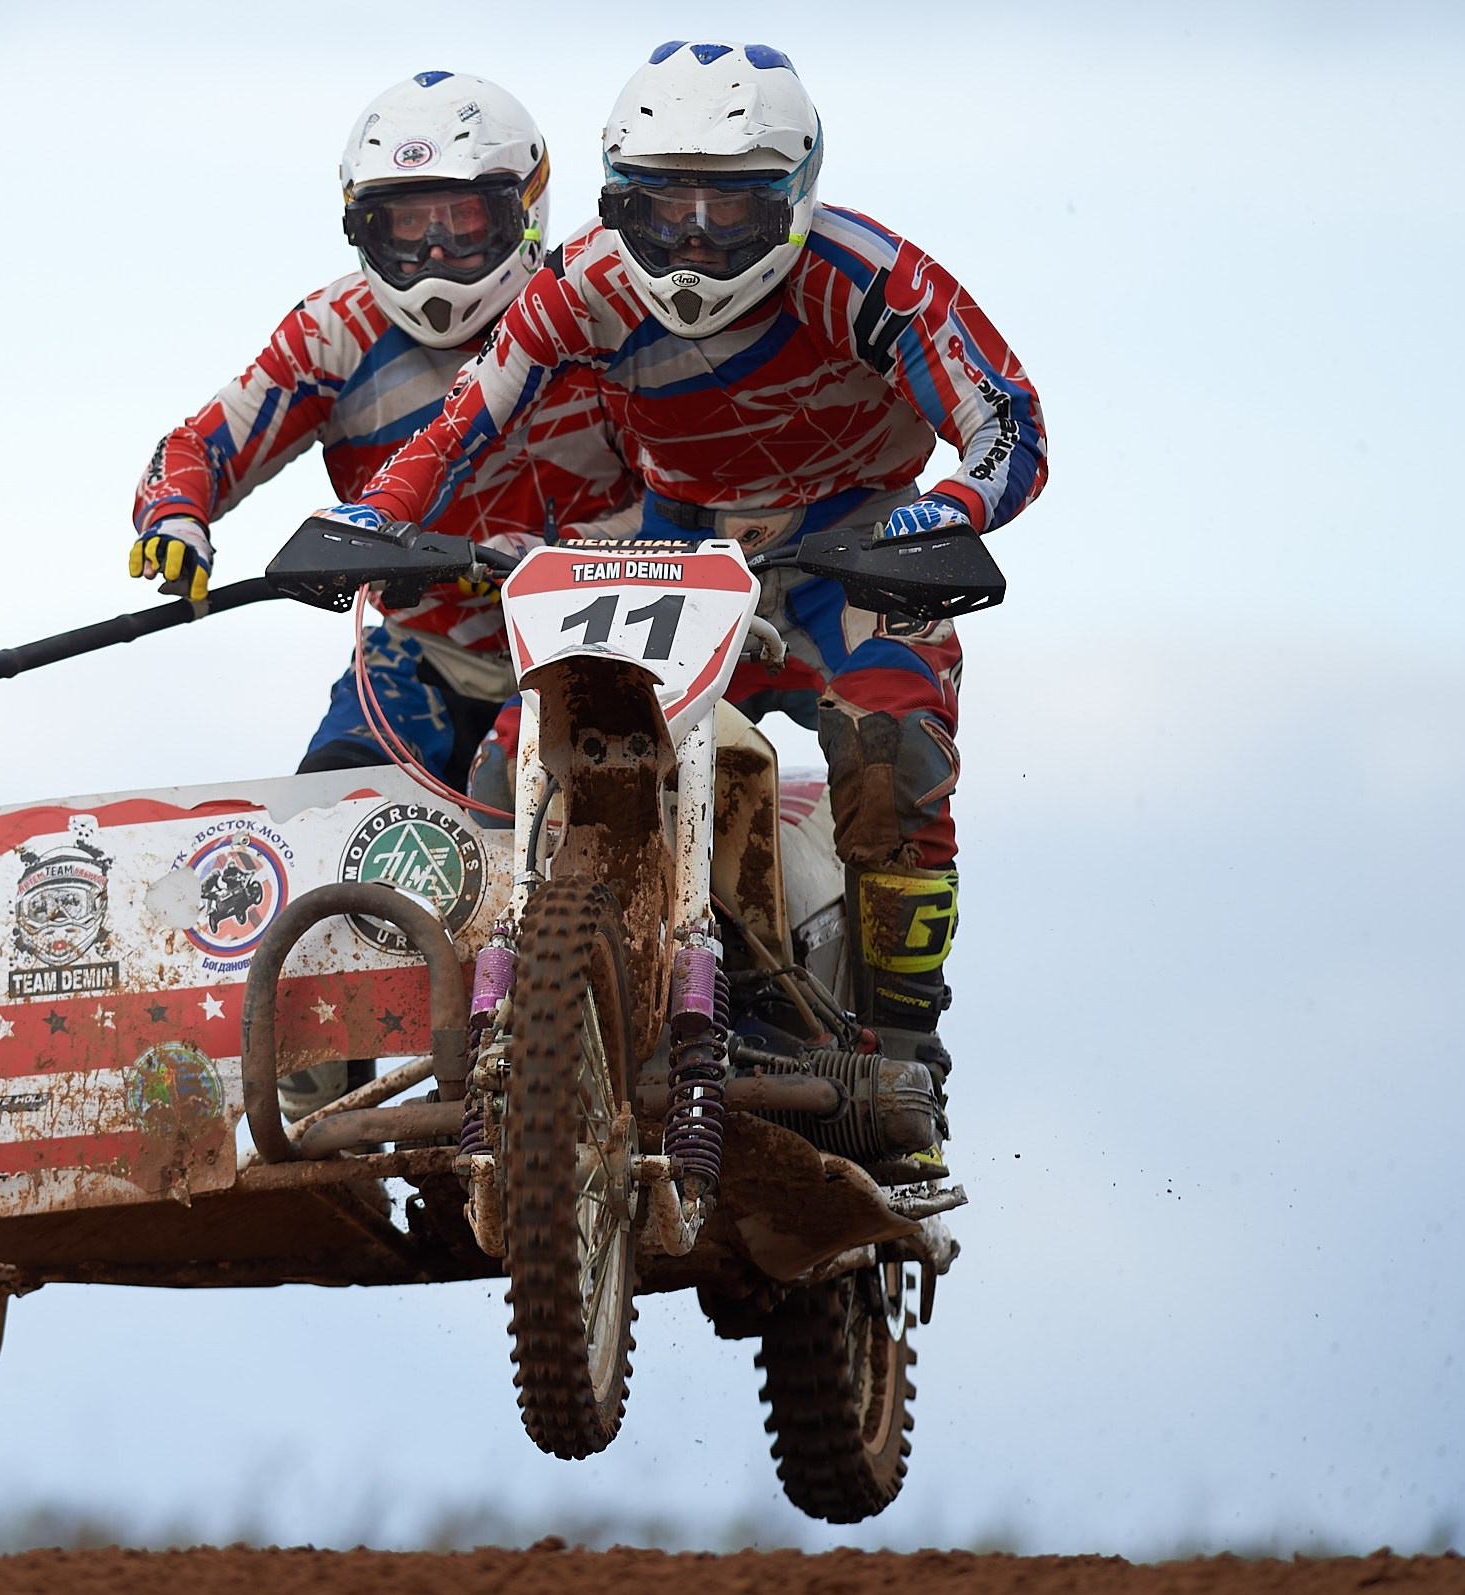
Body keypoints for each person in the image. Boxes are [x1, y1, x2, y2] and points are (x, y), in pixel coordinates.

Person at [334, 42, 1049, 1160]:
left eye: (730, 211)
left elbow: (1007, 418)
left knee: (890, 754)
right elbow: (465, 418)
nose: (693, 244)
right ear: (618, 195)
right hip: (673, 541)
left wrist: (946, 509)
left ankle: (908, 1062)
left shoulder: (869, 278)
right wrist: (375, 516)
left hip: (851, 540)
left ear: (798, 195)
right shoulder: (585, 283)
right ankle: (492, 1029)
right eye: (662, 207)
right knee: (513, 754)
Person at [129, 69, 639, 1116]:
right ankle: (309, 1102)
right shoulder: (333, 332)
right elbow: (204, 440)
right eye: (406, 230)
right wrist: (175, 518)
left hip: (596, 633)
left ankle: (571, 1053)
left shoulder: (604, 307)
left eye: (465, 222)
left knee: (528, 806)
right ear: (360, 229)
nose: (439, 258)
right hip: (417, 642)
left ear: (527, 210)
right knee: (324, 829)